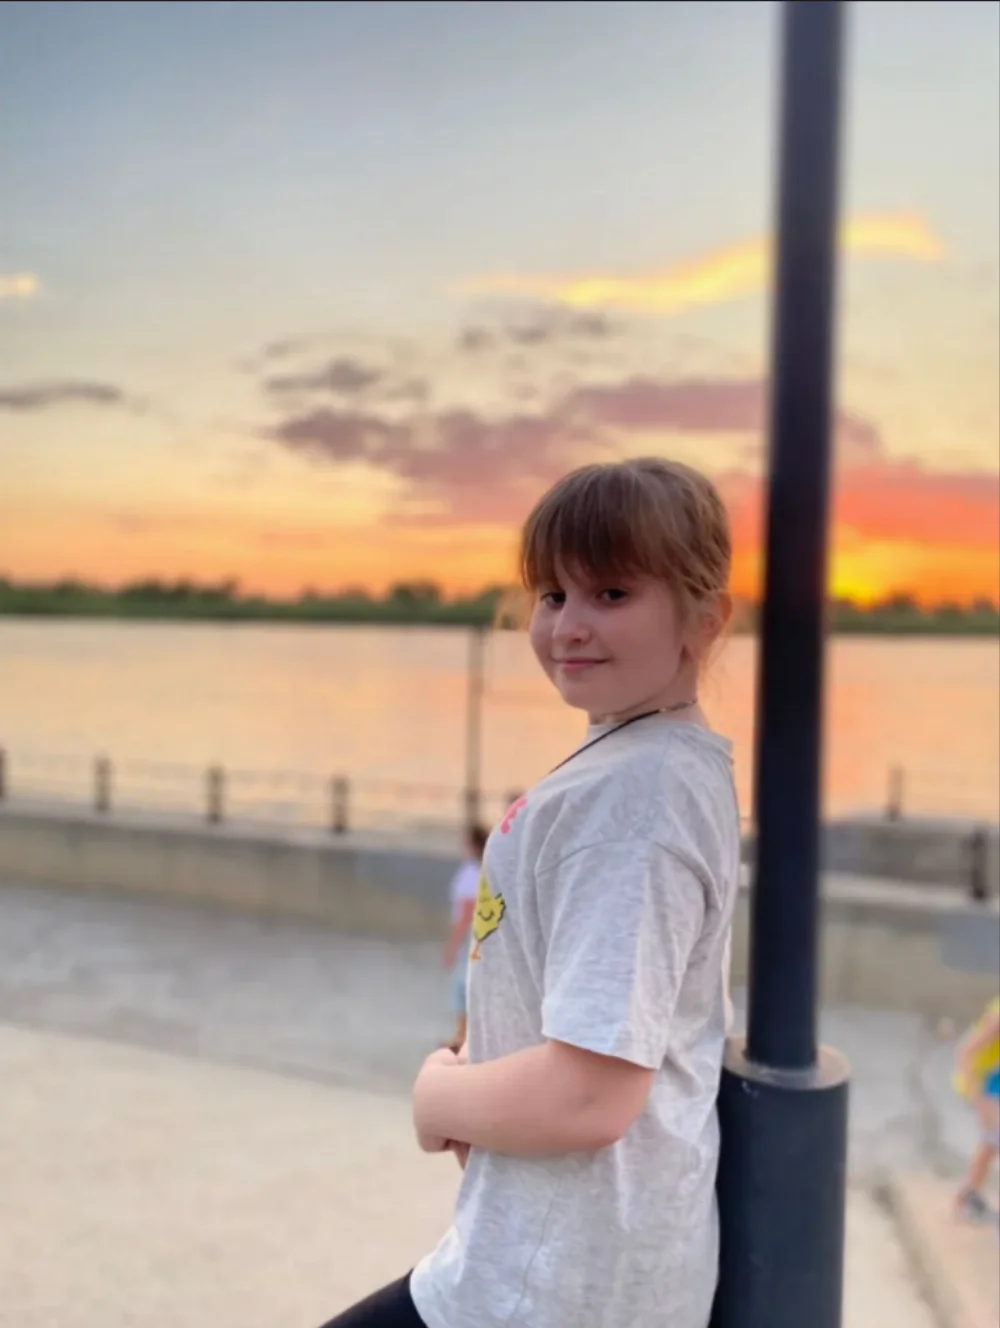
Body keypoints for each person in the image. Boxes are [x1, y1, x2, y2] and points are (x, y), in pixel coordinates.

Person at [320, 457, 741, 1328]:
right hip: (556, 1264)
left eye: (612, 593)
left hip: (549, 1290)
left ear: (705, 618)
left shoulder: (634, 803)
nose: (569, 626)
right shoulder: (648, 764)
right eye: (552, 594)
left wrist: (437, 1098)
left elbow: (590, 1095)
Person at [953, 994, 1000, 1224]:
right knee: (992, 1140)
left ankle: (969, 1195)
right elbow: (967, 1050)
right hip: (985, 1083)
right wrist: (974, 1091)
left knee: (991, 1143)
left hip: (992, 1080)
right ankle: (966, 1199)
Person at [442, 823, 489, 1052]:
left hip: (470, 937)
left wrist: (452, 945)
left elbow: (467, 911)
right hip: (481, 936)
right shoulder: (483, 869)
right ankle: (463, 1035)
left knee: (462, 984)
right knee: (470, 982)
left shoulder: (471, 872)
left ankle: (462, 1035)